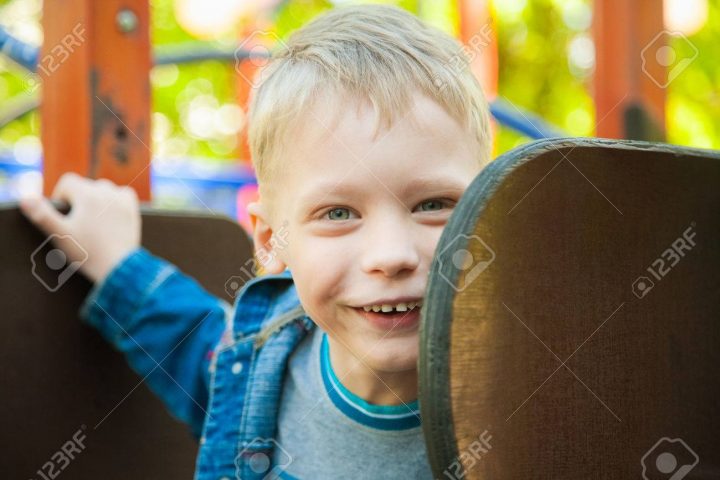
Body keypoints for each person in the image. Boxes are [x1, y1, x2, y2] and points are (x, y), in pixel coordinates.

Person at [19, 4, 491, 479]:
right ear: (270, 239)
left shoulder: (528, 397)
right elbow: (194, 345)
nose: (391, 255)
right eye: (339, 213)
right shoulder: (256, 371)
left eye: (433, 204)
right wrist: (116, 261)